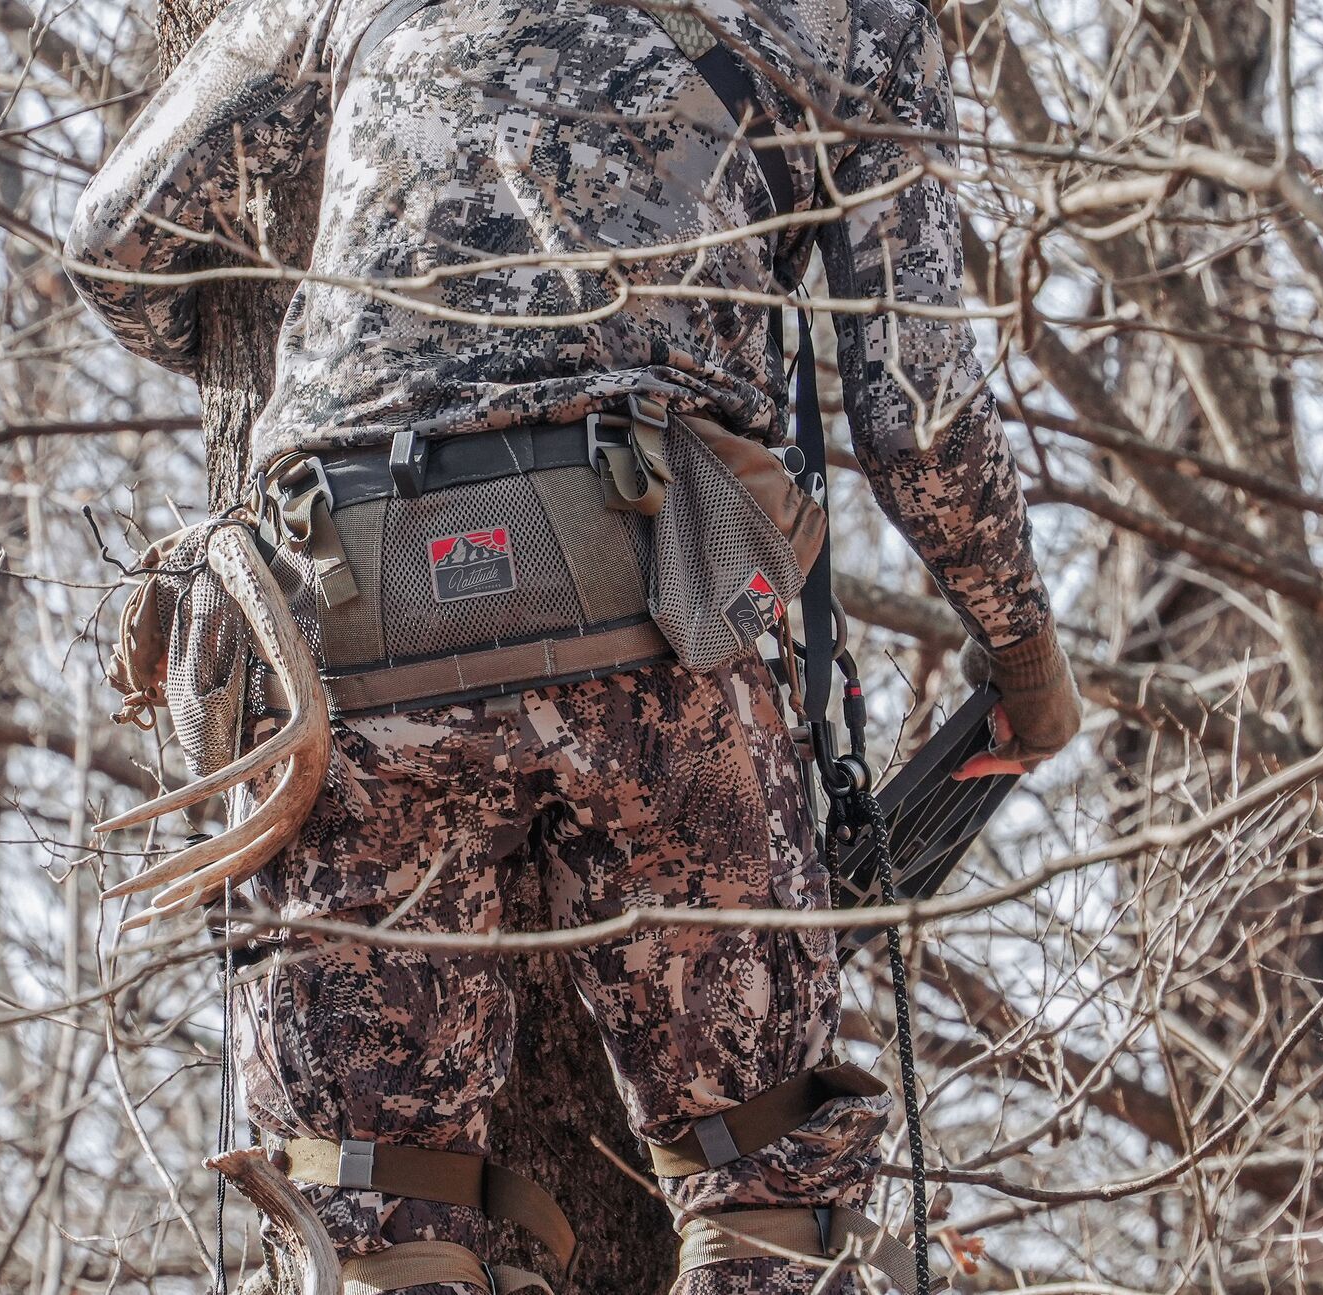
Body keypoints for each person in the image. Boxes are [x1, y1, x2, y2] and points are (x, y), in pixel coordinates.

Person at [67, 1, 1081, 1292]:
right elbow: (914, 407)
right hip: (653, 626)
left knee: (366, 1217)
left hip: (349, 632)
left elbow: (119, 248)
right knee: (771, 1182)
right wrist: (1026, 663)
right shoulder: (855, 20)